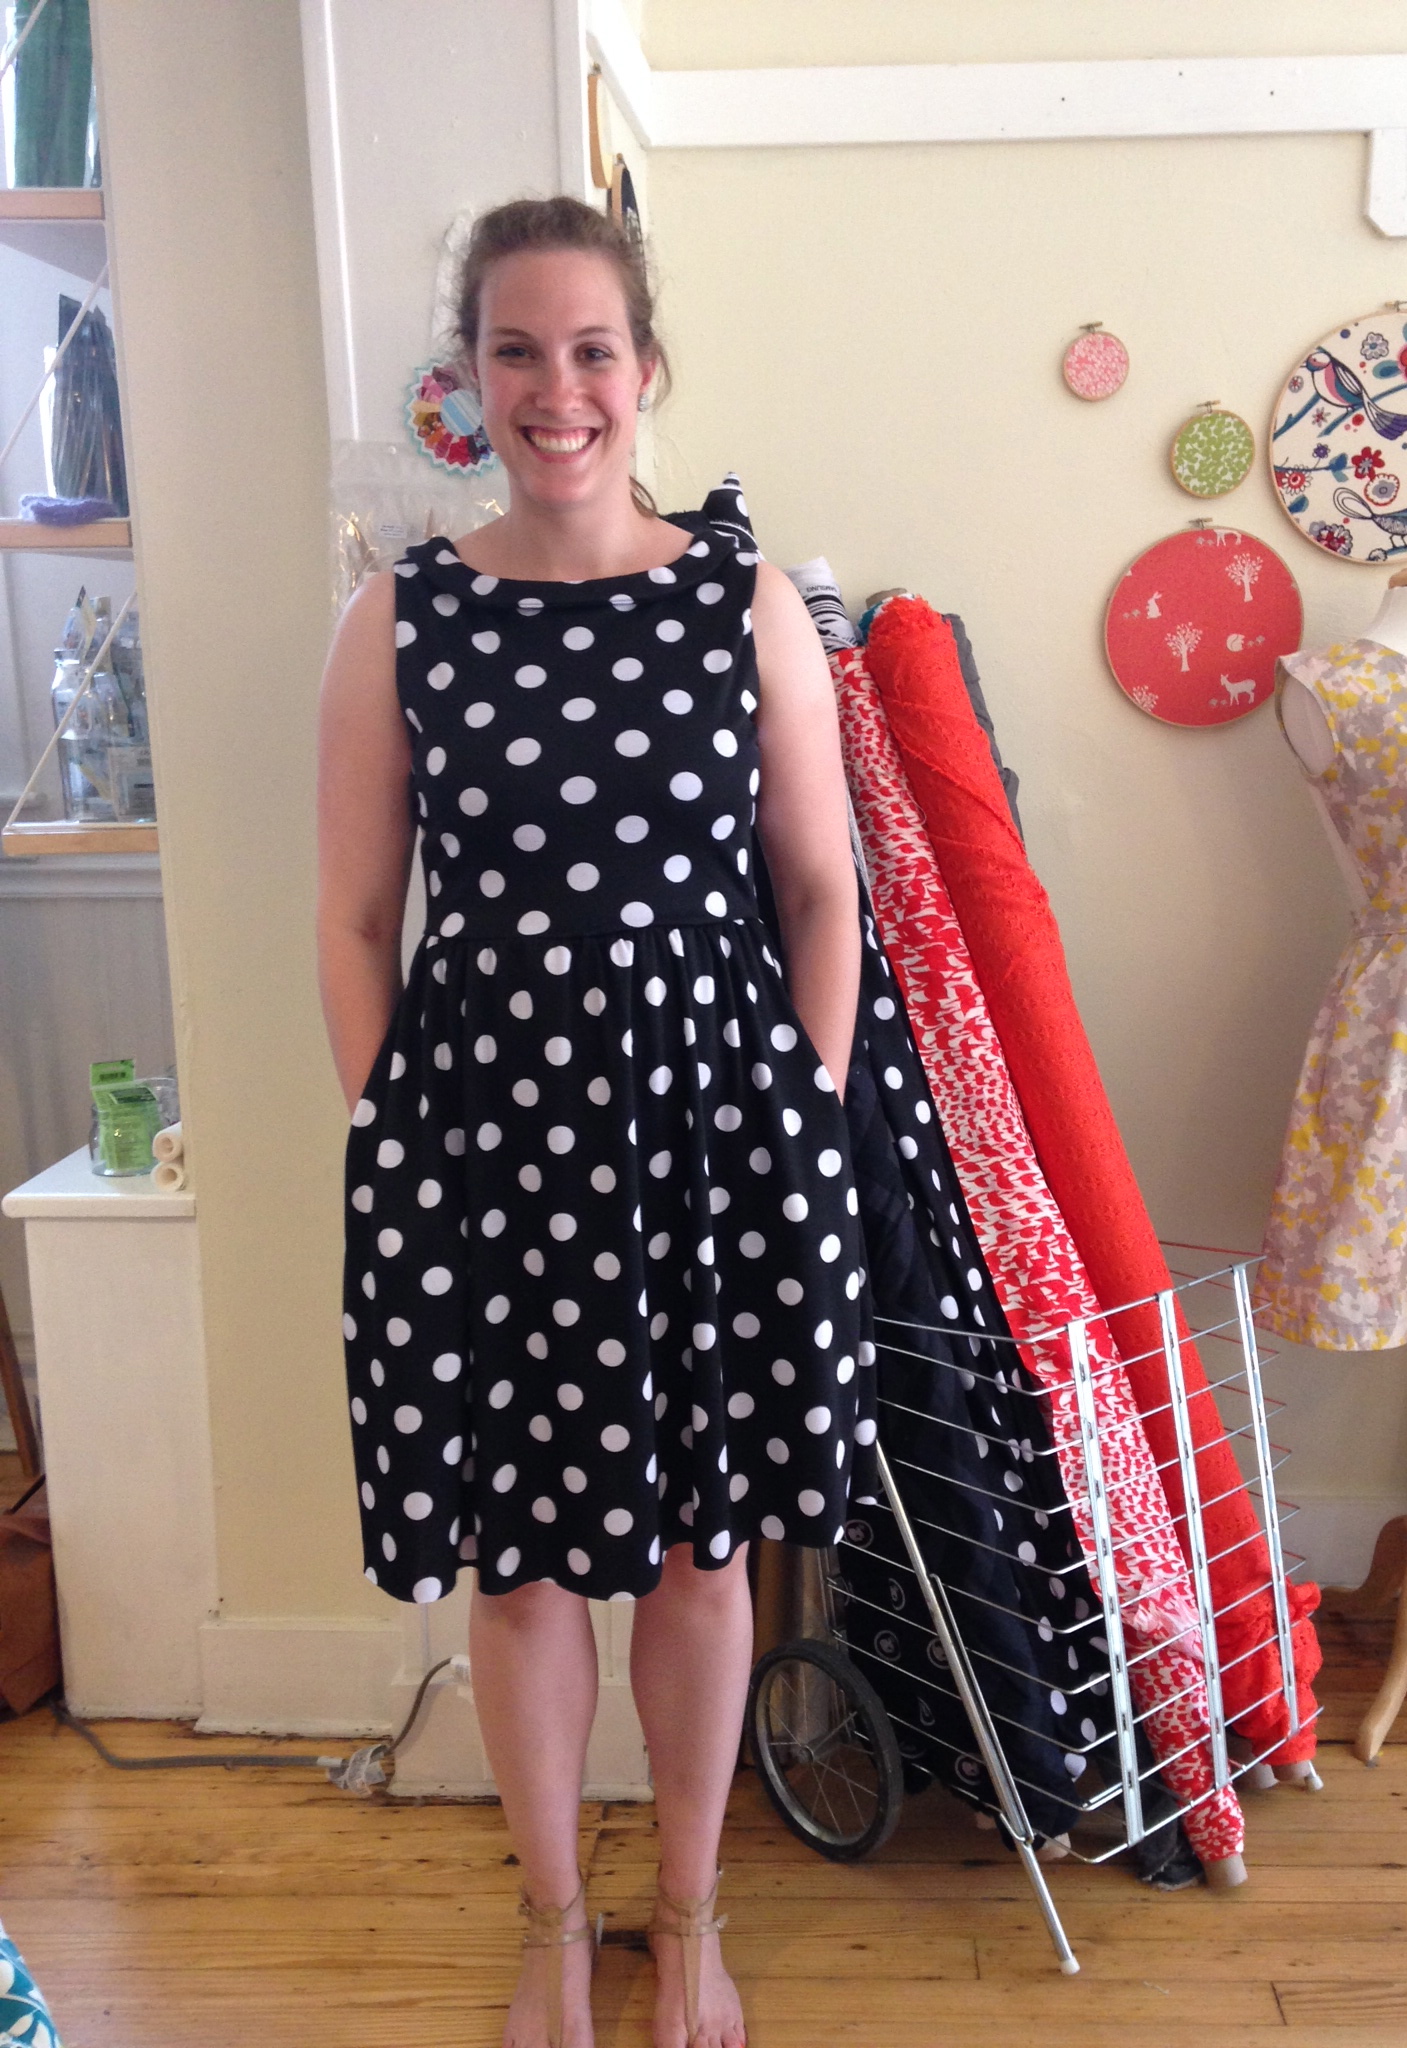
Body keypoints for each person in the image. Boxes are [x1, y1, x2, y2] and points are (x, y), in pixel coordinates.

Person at [316, 196, 868, 2048]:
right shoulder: (405, 617)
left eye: (591, 350)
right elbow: (352, 918)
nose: (558, 389)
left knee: (704, 1551)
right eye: (516, 351)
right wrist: (399, 1137)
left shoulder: (744, 602)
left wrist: (801, 1118)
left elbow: (821, 895)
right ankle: (555, 1928)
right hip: (486, 1164)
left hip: (718, 1149)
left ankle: (691, 1920)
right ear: (468, 380)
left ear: (647, 371)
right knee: (527, 1558)